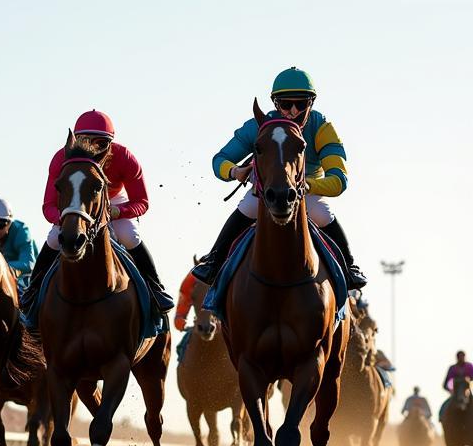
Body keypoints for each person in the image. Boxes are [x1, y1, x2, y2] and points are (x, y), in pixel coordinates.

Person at [192, 67, 366, 290]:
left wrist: (307, 185)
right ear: (275, 103)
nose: (292, 111)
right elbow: (221, 159)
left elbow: (339, 180)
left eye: (300, 104)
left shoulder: (322, 128)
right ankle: (214, 262)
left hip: (305, 193)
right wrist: (235, 171)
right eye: (286, 104)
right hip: (265, 191)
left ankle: (349, 268)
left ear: (310, 104)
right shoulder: (258, 125)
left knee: (322, 213)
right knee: (248, 206)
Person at [22, 109, 174, 315]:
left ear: (110, 143)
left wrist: (119, 211)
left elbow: (142, 202)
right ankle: (32, 292)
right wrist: (67, 216)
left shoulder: (125, 157)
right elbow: (48, 205)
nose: (93, 148)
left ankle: (156, 289)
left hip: (114, 201)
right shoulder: (61, 158)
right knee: (54, 239)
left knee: (129, 235)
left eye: (101, 144)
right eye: (84, 140)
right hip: (75, 204)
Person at [0, 196, 37, 283]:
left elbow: (28, 264)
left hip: (23, 276)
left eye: (1, 225)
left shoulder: (21, 231)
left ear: (9, 223)